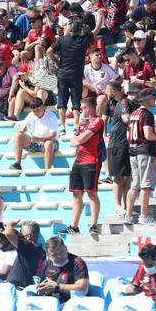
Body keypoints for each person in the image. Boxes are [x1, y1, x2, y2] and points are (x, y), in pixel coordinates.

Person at [59, 97, 103, 235]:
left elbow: (82, 138)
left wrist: (79, 140)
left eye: (82, 108)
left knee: (92, 193)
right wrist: (78, 140)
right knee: (76, 194)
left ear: (88, 108)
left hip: (91, 161)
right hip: (78, 161)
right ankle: (74, 226)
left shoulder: (98, 121)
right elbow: (73, 141)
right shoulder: (83, 122)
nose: (80, 111)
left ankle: (94, 224)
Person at [126, 89, 156, 225]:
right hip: (145, 152)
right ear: (144, 100)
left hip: (133, 152)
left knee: (134, 186)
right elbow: (148, 135)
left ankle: (128, 215)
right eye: (151, 97)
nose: (154, 100)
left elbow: (128, 135)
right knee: (145, 186)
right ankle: (144, 216)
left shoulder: (133, 114)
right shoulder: (147, 114)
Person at [48, 21, 94, 134]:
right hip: (76, 75)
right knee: (76, 102)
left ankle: (62, 127)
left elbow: (49, 51)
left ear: (70, 30)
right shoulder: (83, 41)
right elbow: (95, 32)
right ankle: (75, 125)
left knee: (62, 102)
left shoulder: (62, 39)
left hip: (63, 73)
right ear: (79, 31)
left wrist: (55, 61)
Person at [102, 81, 135, 216]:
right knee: (118, 177)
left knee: (126, 176)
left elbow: (126, 118)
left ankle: (125, 206)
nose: (106, 93)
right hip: (117, 144)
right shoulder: (116, 103)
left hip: (124, 144)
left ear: (114, 91)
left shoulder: (124, 102)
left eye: (107, 91)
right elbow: (126, 119)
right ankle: (118, 206)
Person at [10, 97, 59, 170]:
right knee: (18, 136)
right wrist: (21, 131)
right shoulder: (31, 115)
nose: (36, 113)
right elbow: (20, 128)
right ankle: (17, 163)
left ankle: (47, 170)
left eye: (38, 110)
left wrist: (39, 139)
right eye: (34, 111)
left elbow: (53, 137)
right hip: (36, 142)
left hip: (50, 142)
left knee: (48, 144)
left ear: (43, 107)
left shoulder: (51, 116)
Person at [36, 236, 89, 302]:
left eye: (61, 252)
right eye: (54, 255)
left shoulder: (76, 262)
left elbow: (83, 289)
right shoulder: (46, 264)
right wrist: (41, 290)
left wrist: (57, 287)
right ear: (48, 255)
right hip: (51, 303)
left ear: (66, 248)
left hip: (73, 304)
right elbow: (41, 287)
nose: (59, 256)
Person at [2, 219, 45, 289]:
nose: (19, 235)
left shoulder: (28, 247)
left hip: (18, 289)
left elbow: (8, 233)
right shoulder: (41, 251)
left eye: (20, 233)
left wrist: (9, 224)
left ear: (27, 237)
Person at [83, 48, 119, 114]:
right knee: (80, 88)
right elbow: (81, 81)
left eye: (100, 54)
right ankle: (76, 108)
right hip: (89, 92)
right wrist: (94, 87)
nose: (99, 56)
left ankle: (99, 120)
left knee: (101, 99)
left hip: (102, 93)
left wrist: (109, 89)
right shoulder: (85, 68)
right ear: (90, 58)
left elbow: (119, 79)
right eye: (97, 55)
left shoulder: (107, 67)